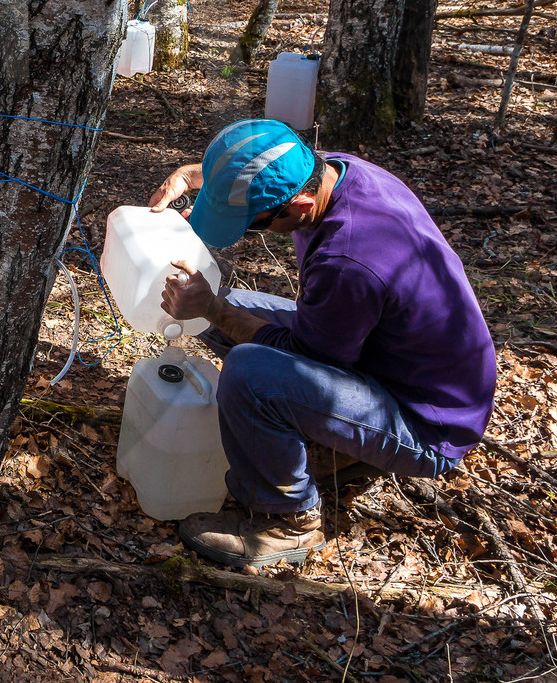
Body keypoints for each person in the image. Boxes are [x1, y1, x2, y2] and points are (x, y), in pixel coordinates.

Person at [148, 119, 497, 568]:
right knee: (229, 309)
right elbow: (273, 165)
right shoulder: (340, 169)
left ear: (300, 206)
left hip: (426, 422)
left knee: (249, 371)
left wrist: (212, 310)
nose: (249, 232)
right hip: (387, 361)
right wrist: (197, 175)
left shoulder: (347, 260)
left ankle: (289, 522)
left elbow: (302, 358)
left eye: (251, 225)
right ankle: (330, 448)